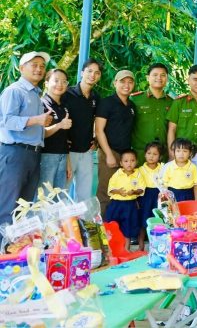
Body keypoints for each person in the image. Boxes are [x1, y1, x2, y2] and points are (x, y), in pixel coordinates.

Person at [0, 52, 52, 225]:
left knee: (24, 206)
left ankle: (14, 248)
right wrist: (37, 120)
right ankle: (3, 249)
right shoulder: (15, 91)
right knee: (8, 205)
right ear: (22, 68)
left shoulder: (36, 94)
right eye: (34, 65)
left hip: (32, 154)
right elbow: (7, 121)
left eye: (42, 66)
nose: (39, 69)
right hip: (15, 153)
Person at [95, 69, 137, 215]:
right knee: (105, 191)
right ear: (115, 83)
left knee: (123, 192)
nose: (126, 85)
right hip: (110, 152)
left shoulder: (132, 106)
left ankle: (118, 229)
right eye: (122, 81)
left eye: (130, 82)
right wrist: (108, 154)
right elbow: (99, 130)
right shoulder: (107, 103)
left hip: (125, 155)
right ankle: (104, 230)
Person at [63, 58, 101, 203]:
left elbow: (98, 121)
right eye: (90, 71)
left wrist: (96, 140)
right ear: (82, 72)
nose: (93, 75)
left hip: (86, 151)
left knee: (85, 195)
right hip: (68, 151)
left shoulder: (96, 97)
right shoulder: (68, 93)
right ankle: (59, 225)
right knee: (62, 192)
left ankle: (82, 225)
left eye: (97, 73)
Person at [130, 63, 172, 163]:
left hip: (163, 156)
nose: (159, 78)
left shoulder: (172, 102)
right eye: (155, 75)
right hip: (140, 155)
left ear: (167, 79)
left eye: (163, 75)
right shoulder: (135, 99)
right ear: (148, 78)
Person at [40, 69, 72, 190]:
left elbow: (65, 137)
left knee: (59, 198)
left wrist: (68, 161)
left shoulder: (64, 107)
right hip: (46, 157)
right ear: (46, 83)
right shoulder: (41, 104)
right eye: (56, 80)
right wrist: (59, 125)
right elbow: (40, 134)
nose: (60, 84)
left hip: (62, 156)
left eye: (64, 81)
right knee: (43, 198)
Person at [105, 149, 145, 250]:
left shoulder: (138, 174)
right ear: (121, 163)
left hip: (130, 205)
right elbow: (111, 188)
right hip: (116, 204)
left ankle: (126, 249)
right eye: (126, 161)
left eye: (132, 161)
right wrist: (118, 191)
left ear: (136, 162)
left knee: (128, 227)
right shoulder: (117, 174)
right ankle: (112, 249)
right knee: (112, 225)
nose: (129, 163)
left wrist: (134, 192)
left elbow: (141, 188)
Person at [138, 141, 163, 246]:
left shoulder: (163, 168)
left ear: (160, 156)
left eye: (155, 154)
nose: (151, 156)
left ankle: (157, 245)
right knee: (143, 220)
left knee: (158, 220)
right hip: (145, 196)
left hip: (158, 195)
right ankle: (141, 246)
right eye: (149, 153)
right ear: (144, 154)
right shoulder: (140, 169)